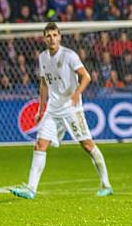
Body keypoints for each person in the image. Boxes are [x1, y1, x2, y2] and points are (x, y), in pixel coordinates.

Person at [9, 23, 113, 199]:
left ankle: (106, 184)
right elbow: (43, 84)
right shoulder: (42, 57)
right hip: (53, 109)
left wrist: (77, 94)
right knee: (40, 145)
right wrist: (40, 109)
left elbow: (86, 76)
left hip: (71, 108)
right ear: (44, 39)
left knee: (87, 145)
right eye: (48, 36)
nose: (52, 38)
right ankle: (31, 189)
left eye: (55, 35)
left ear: (60, 37)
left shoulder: (69, 55)